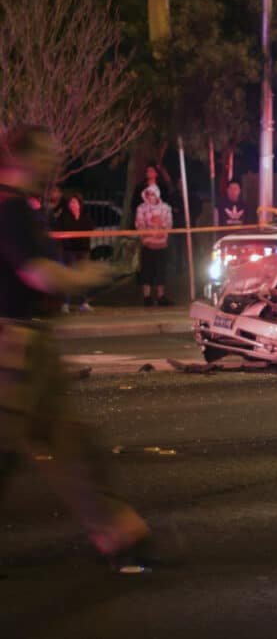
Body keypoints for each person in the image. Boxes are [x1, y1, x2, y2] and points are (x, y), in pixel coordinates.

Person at [0, 125, 150, 568]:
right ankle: (118, 531)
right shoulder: (11, 210)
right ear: (26, 156)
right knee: (28, 447)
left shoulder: (16, 207)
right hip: (16, 346)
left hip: (30, 343)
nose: (54, 163)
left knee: (70, 442)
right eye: (47, 154)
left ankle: (119, 532)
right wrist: (94, 277)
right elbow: (39, 275)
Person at [54, 193, 96, 313]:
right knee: (69, 276)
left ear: (79, 204)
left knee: (83, 276)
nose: (73, 205)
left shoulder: (84, 215)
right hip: (69, 250)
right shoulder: (64, 216)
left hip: (83, 250)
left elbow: (91, 227)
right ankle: (65, 303)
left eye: (75, 202)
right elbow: (60, 229)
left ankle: (83, 303)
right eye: (71, 202)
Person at [135, 183, 174, 306]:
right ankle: (147, 297)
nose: (150, 196)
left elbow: (168, 224)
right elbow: (139, 224)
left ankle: (160, 296)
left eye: (152, 194)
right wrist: (147, 235)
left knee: (160, 270)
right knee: (146, 271)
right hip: (147, 245)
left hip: (161, 245)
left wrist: (160, 223)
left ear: (157, 194)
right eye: (148, 194)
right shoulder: (141, 208)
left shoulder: (166, 208)